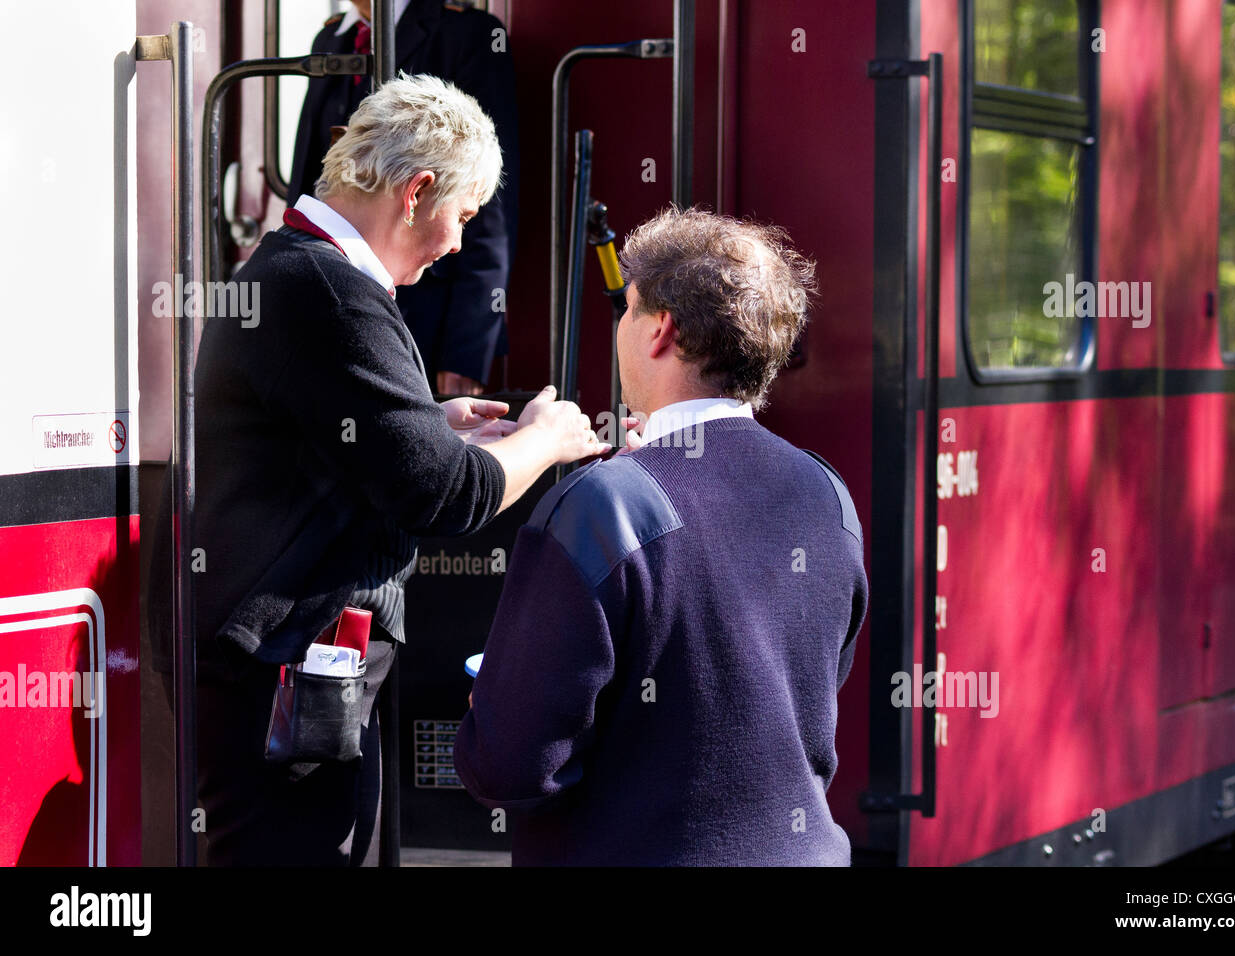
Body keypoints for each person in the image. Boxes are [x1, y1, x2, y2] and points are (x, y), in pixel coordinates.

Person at [193, 74, 607, 866]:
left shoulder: (295, 271)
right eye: (463, 216)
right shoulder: (334, 294)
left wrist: (428, 421)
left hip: (287, 665)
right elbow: (446, 495)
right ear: (417, 192)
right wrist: (547, 437)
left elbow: (327, 438)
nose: (457, 243)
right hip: (289, 665)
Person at [454, 207, 868, 866]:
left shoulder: (601, 508)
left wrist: (491, 700)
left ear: (660, 331)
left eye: (628, 309)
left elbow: (511, 767)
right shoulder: (826, 494)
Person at [289, 0, 520, 396]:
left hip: (427, 310)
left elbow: (486, 208)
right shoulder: (331, 38)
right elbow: (310, 176)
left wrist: (466, 350)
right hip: (334, 296)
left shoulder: (465, 35)